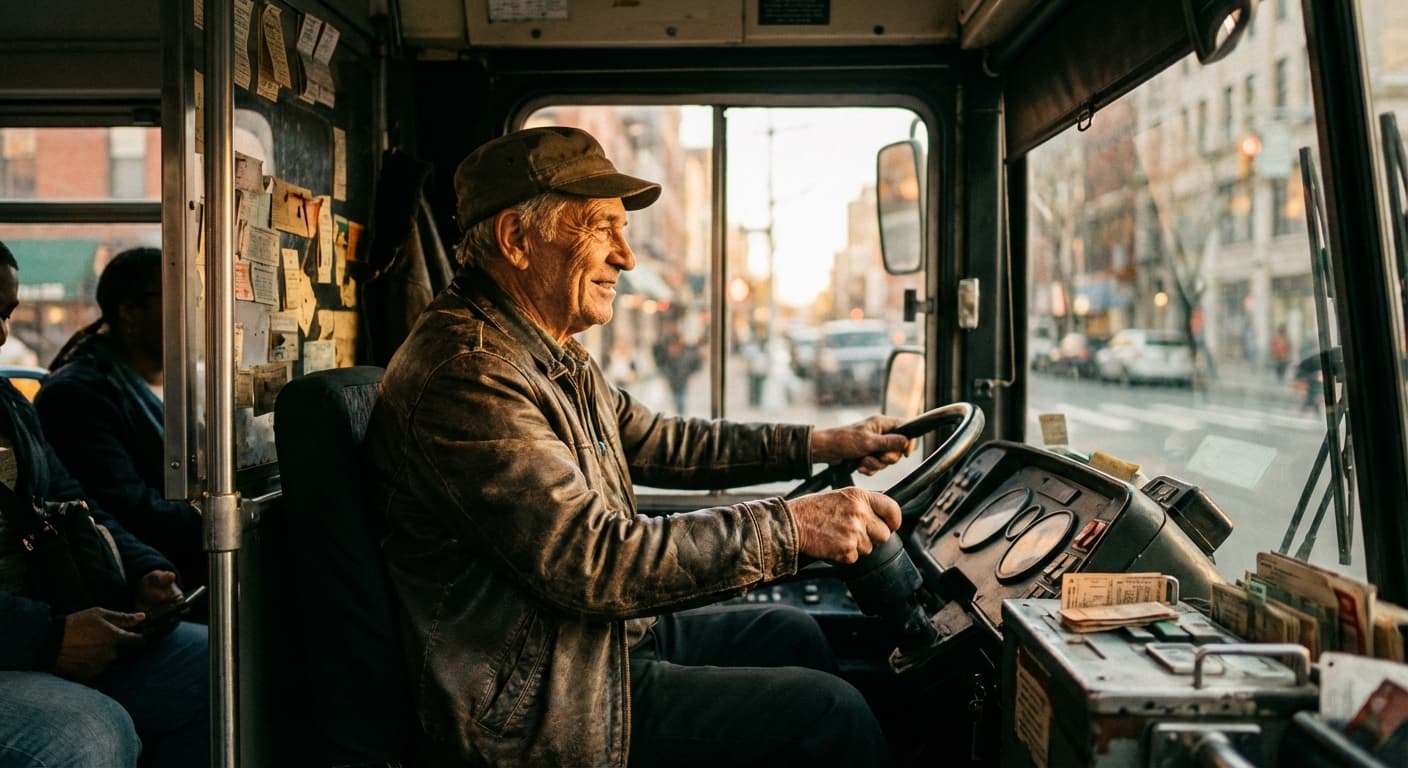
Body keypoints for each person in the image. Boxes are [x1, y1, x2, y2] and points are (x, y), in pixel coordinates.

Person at [366, 126, 912, 767]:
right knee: (832, 716)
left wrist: (819, 442)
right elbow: (591, 557)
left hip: (584, 646)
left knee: (791, 632)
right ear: (517, 239)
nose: (626, 256)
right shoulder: (468, 373)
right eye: (601, 227)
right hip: (534, 702)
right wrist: (791, 526)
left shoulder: (545, 352)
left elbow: (661, 440)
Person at [0, 240, 209, 768]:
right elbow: (128, 499)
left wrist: (141, 569)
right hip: (30, 635)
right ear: (129, 311)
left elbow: (74, 501)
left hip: (57, 616)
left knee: (226, 665)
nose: (0, 334)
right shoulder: (81, 392)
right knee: (91, 734)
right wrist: (48, 640)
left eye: (4, 314)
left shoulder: (7, 409)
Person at [35, 247, 205, 590]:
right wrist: (216, 517)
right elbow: (127, 508)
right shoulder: (76, 395)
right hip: (145, 586)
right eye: (179, 299)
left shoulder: (184, 384)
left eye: (196, 300)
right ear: (129, 311)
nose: (194, 314)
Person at [651, 329, 700, 414]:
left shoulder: (685, 354)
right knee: (677, 401)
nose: (673, 348)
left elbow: (694, 364)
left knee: (680, 402)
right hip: (673, 383)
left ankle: (681, 418)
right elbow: (660, 363)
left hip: (682, 382)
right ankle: (680, 417)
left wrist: (689, 374)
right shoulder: (666, 356)